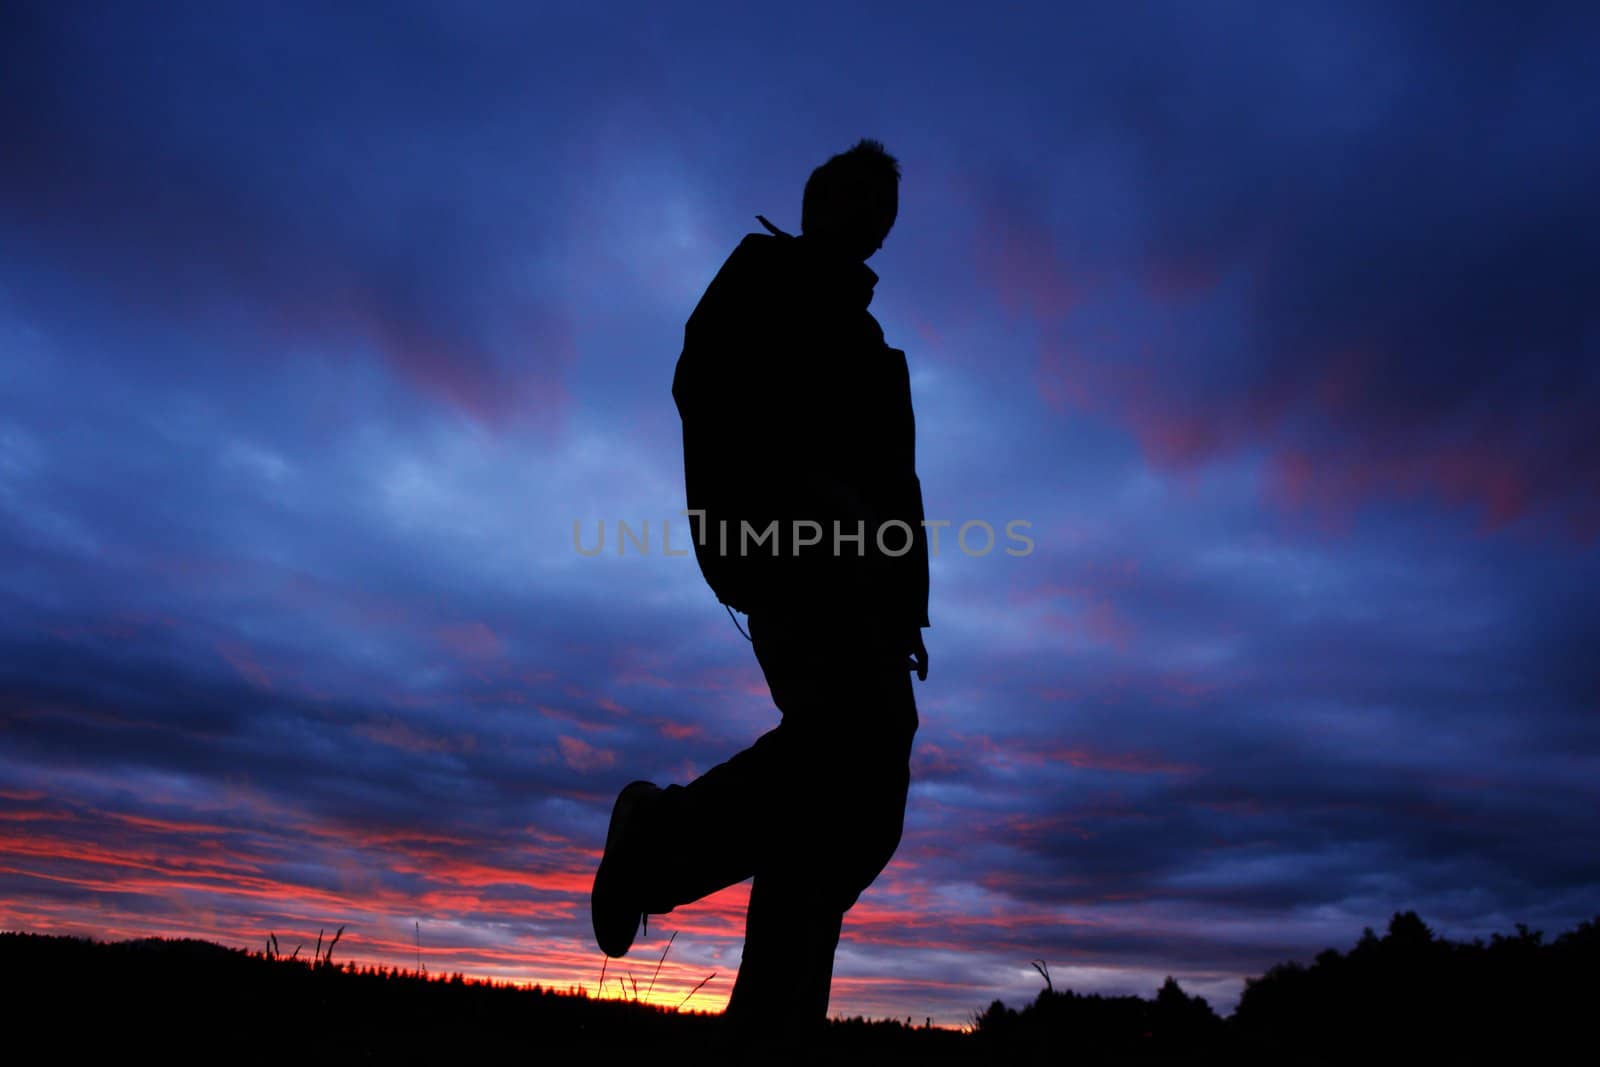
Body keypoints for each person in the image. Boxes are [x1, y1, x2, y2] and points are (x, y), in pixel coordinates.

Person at [590, 139, 930, 1047]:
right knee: (846, 754)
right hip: (790, 558)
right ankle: (659, 844)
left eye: (884, 208)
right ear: (819, 199)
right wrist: (797, 486)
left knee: (853, 808)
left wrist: (908, 608)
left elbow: (897, 488)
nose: (872, 217)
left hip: (865, 585)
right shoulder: (765, 279)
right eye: (858, 196)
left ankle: (763, 1023)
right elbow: (704, 384)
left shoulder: (870, 345)